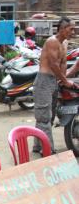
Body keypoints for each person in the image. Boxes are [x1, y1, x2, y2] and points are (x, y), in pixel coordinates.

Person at [34, 17, 77, 154]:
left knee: (48, 117)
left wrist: (62, 80)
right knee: (44, 117)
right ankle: (48, 150)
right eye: (71, 29)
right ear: (63, 29)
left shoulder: (64, 43)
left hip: (53, 81)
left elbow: (63, 63)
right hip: (44, 81)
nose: (73, 32)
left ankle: (38, 146)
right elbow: (53, 64)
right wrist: (65, 81)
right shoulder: (52, 42)